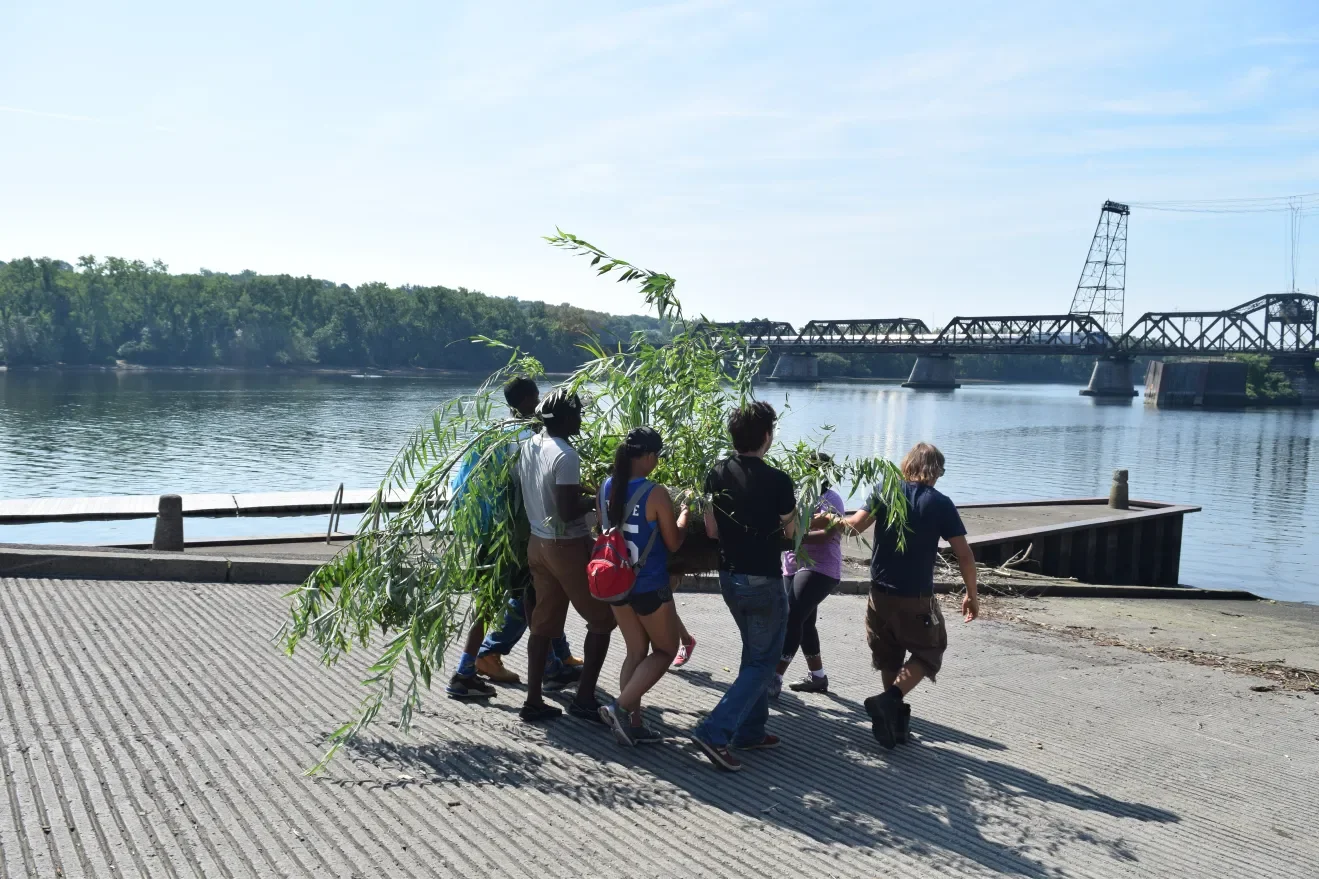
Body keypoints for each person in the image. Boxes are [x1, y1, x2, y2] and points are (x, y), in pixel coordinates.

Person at [446, 376, 582, 699]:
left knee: (529, 598)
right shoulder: (523, 438)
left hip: (492, 531)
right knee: (532, 598)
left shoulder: (501, 432)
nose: (538, 401)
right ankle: (470, 671)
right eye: (535, 396)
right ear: (523, 401)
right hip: (510, 534)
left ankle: (550, 663)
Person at [839, 442, 979, 749]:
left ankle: (895, 723)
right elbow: (965, 556)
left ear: (907, 465)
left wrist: (826, 519)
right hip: (914, 595)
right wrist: (972, 594)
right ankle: (889, 701)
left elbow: (854, 527)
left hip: (879, 592)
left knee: (889, 653)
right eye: (940, 471)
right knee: (931, 648)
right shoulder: (940, 503)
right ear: (936, 471)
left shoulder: (885, 490)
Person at [690, 401, 796, 771]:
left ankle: (750, 730)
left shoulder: (715, 473)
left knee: (754, 652)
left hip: (729, 577)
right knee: (765, 660)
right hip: (763, 579)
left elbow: (711, 530)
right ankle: (714, 731)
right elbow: (791, 532)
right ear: (767, 436)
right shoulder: (780, 481)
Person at [517, 388, 616, 723]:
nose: (581, 418)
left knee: (543, 623)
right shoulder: (566, 455)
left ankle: (533, 700)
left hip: (537, 543)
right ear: (562, 419)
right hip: (564, 545)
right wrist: (602, 499)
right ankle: (584, 698)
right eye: (577, 413)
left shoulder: (530, 445)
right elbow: (566, 510)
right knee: (603, 620)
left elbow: (544, 493)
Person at [596, 427, 691, 746]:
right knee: (664, 650)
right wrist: (684, 516)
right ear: (649, 456)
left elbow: (606, 532)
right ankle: (621, 709)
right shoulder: (656, 493)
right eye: (657, 457)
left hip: (616, 585)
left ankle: (631, 724)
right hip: (649, 585)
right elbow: (674, 543)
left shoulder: (606, 486)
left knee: (636, 651)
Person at [771, 453, 845, 699]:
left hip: (821, 567)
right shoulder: (797, 496)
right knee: (805, 622)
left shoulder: (831, 500)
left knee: (792, 617)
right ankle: (818, 677)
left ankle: (775, 677)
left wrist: (791, 539)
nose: (808, 474)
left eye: (814, 470)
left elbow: (826, 534)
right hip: (792, 566)